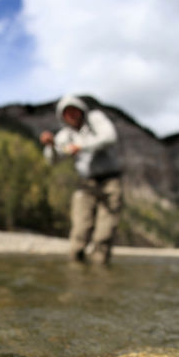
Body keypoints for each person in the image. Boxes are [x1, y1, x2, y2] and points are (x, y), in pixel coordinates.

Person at [40, 95, 122, 264]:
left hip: (110, 182)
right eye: (67, 113)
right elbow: (52, 160)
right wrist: (50, 146)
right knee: (79, 232)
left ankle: (100, 277)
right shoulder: (65, 135)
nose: (71, 115)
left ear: (81, 110)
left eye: (74, 110)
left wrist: (81, 146)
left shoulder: (95, 119)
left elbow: (110, 137)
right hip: (85, 184)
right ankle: (76, 273)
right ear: (62, 117)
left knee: (104, 235)